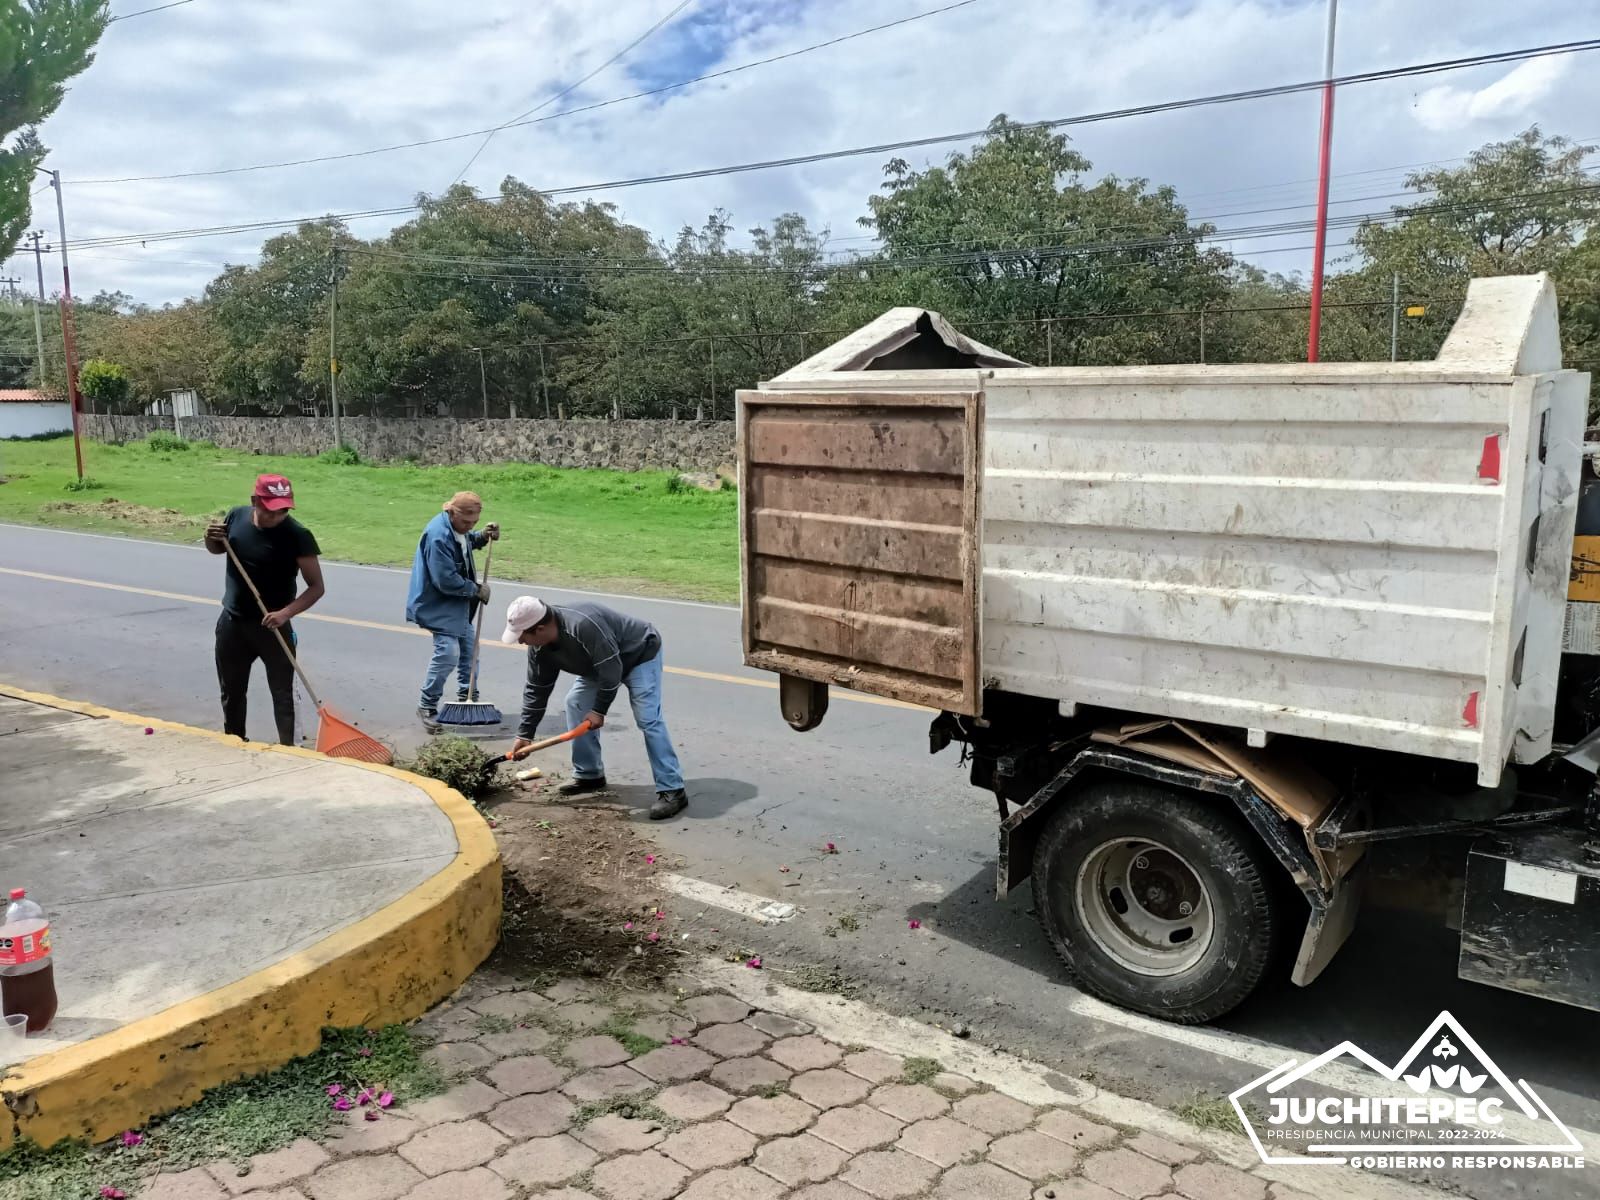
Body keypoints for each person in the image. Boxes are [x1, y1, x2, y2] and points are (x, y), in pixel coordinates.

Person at [503, 595, 688, 820]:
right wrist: (525, 733)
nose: (521, 642)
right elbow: (536, 689)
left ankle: (673, 789)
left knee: (647, 718)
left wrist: (599, 710)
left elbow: (611, 671)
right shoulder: (539, 649)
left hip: (638, 654)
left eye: (522, 636)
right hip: (600, 665)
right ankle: (589, 775)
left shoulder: (583, 625)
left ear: (540, 628)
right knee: (576, 703)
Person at [204, 474, 325, 744]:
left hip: (274, 628)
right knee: (231, 691)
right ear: (254, 501)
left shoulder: (298, 536)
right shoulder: (236, 516)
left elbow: (316, 587)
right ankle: (235, 742)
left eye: (283, 510)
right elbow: (217, 549)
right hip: (233, 623)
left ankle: (288, 751)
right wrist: (210, 539)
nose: (277, 516)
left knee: (283, 695)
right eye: (271, 509)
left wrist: (285, 613)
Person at [405, 491, 499, 729]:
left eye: (474, 522)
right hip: (437, 603)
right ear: (450, 512)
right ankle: (426, 705)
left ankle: (467, 699)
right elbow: (445, 580)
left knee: (470, 648)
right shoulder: (438, 536)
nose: (469, 526)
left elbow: (465, 544)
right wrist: (476, 590)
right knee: (448, 652)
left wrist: (483, 537)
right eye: (466, 522)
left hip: (457, 603)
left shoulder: (459, 530)